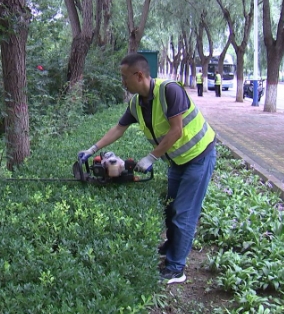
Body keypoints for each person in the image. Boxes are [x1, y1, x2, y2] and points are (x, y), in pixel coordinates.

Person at [77, 53, 217, 284]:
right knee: (171, 208)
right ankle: (172, 246)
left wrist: (151, 157)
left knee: (184, 213)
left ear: (139, 75)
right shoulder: (136, 103)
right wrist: (92, 150)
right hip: (177, 161)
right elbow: (118, 128)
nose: (122, 82)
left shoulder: (170, 90)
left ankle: (176, 269)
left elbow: (176, 130)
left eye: (124, 77)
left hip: (199, 157)